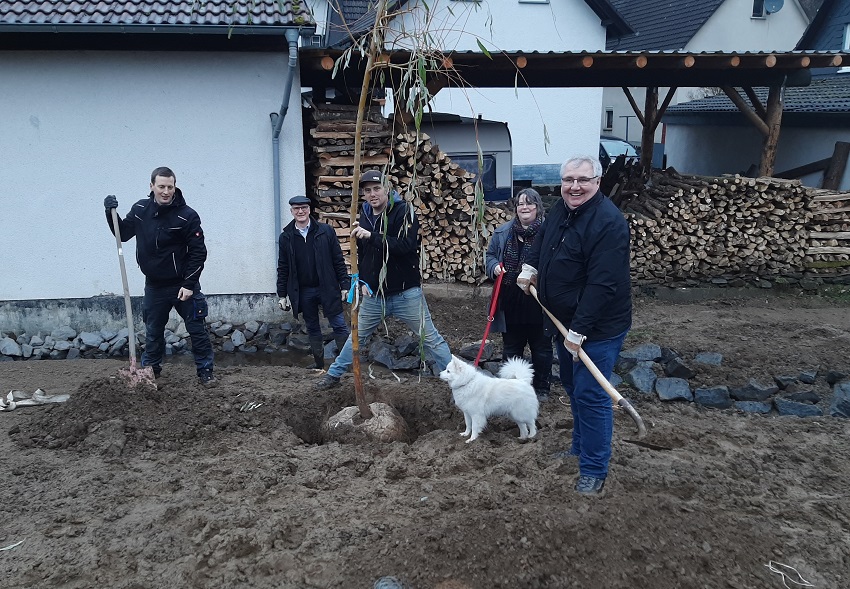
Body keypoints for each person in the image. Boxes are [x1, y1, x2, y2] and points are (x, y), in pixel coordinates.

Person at [517, 155, 632, 497]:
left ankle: (594, 470)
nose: (574, 186)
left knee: (592, 395)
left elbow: (603, 284)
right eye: (569, 179)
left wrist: (580, 332)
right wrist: (530, 267)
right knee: (571, 384)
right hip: (562, 322)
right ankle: (579, 449)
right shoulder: (560, 210)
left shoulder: (609, 223)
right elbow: (542, 244)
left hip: (597, 327)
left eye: (583, 179)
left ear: (597, 182)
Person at [315, 170, 453, 389]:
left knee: (430, 338)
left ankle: (457, 379)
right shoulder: (365, 214)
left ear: (387, 189)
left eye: (377, 188)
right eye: (367, 190)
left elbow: (405, 246)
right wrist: (360, 281)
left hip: (406, 293)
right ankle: (333, 376)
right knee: (356, 337)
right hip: (373, 294)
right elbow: (364, 253)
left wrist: (372, 236)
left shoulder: (403, 211)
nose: (372, 194)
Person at [104, 166, 217, 387]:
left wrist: (189, 284)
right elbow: (123, 234)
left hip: (182, 285)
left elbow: (198, 252)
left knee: (196, 330)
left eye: (170, 187)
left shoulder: (187, 216)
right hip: (154, 286)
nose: (166, 191)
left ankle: (205, 371)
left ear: (175, 187)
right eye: (161, 186)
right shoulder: (140, 210)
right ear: (152, 186)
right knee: (153, 332)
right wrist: (111, 214)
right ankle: (151, 371)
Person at [485, 188, 553, 400]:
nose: (525, 207)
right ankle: (511, 388)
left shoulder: (549, 233)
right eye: (520, 204)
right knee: (512, 347)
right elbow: (489, 256)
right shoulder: (503, 233)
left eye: (529, 203)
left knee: (541, 348)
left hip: (539, 301)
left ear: (537, 207)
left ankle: (541, 388)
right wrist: (494, 266)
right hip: (510, 300)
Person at [277, 195, 351, 369]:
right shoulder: (286, 237)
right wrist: (282, 294)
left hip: (327, 286)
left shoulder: (325, 231)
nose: (300, 211)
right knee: (312, 327)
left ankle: (346, 365)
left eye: (304, 208)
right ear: (291, 211)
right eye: (296, 209)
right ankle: (319, 365)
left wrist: (344, 285)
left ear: (309, 210)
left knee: (339, 325)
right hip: (304, 291)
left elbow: (338, 260)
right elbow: (283, 267)